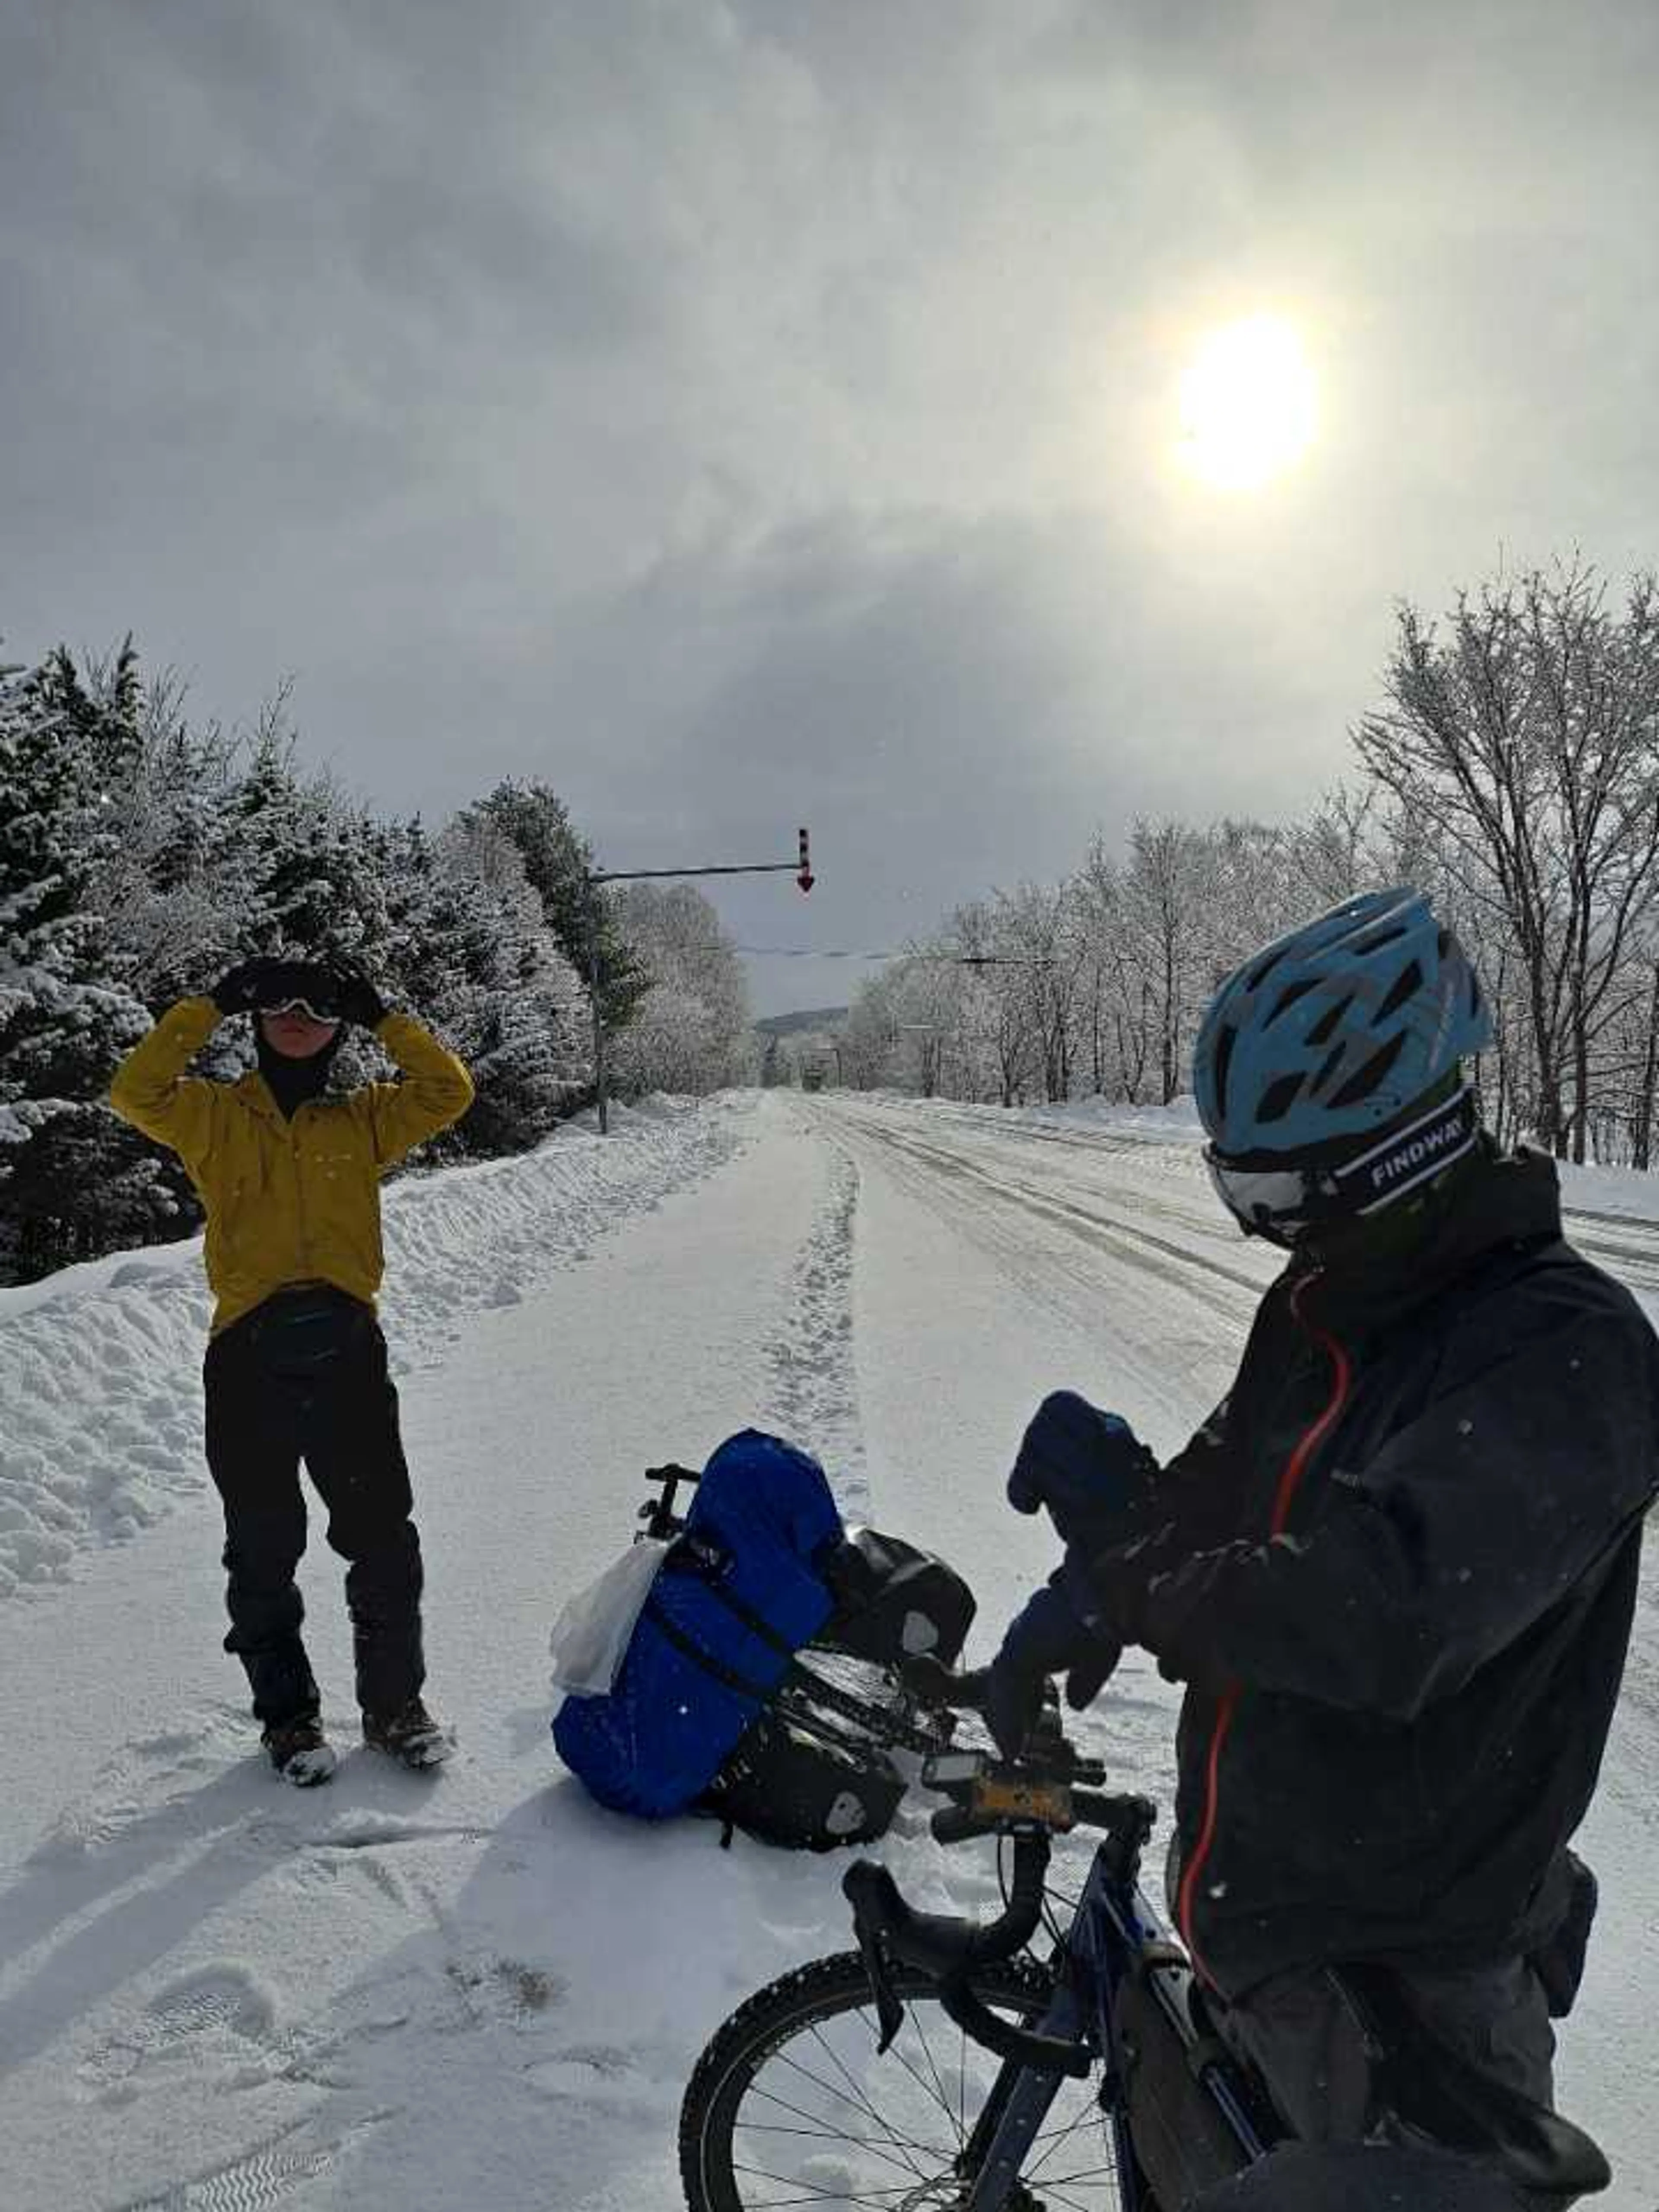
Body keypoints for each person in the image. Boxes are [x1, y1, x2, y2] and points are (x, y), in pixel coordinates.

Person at [985, 887, 1657, 2201]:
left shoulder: (1566, 1353)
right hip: (1266, 1921)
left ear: (1396, 1151)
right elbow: (1230, 1484)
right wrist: (1104, 1564)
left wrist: (1139, 1580)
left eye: (1283, 1191)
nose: (1264, 1228)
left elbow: (1377, 1613)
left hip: (1414, 1988)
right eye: (1242, 1185)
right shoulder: (1332, 1300)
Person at [109, 955, 474, 1784]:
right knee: (263, 1548)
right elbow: (135, 1091)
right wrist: (207, 1004)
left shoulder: (366, 1117)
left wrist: (386, 1017)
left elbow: (449, 1090)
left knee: (384, 1539)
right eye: (279, 1004)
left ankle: (394, 1710)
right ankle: (289, 1721)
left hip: (347, 1349)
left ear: (340, 1025)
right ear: (256, 1017)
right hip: (248, 1357)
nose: (299, 1018)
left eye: (321, 1007)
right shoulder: (213, 1116)